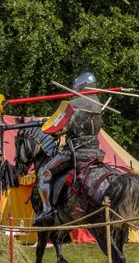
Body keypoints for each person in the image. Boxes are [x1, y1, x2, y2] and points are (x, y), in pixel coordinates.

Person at [34, 72, 105, 225]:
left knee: (44, 173)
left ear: (80, 86)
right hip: (96, 152)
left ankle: (46, 209)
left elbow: (60, 129)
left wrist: (48, 125)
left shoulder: (75, 105)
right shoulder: (99, 105)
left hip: (75, 152)